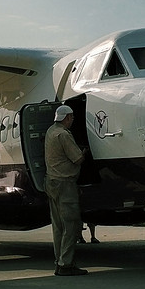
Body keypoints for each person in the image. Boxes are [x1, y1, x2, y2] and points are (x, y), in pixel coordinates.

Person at [45, 104, 88, 275]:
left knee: (58, 226)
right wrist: (85, 151)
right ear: (68, 118)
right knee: (72, 225)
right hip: (65, 184)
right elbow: (77, 159)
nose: (73, 121)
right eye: (72, 118)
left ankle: (59, 261)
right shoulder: (63, 135)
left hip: (51, 181)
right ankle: (66, 264)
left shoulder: (51, 131)